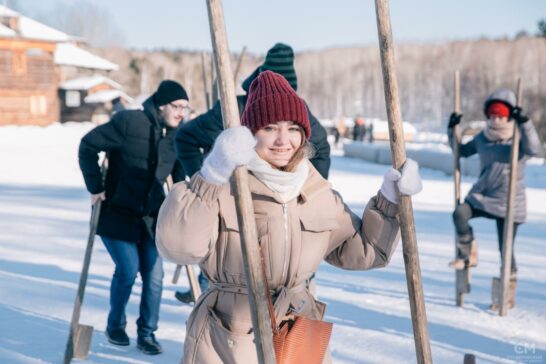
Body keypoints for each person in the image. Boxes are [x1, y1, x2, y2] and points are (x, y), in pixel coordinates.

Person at [156, 71, 423, 363]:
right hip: (227, 335)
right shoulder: (224, 185)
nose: (283, 140)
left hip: (296, 334)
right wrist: (211, 175)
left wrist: (390, 200)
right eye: (269, 127)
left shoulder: (316, 190)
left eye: (293, 128)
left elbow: (365, 252)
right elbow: (178, 247)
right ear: (250, 133)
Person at [173, 42, 331, 303]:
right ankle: (205, 293)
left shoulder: (300, 114)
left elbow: (321, 148)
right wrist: (209, 179)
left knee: (291, 292)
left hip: (283, 215)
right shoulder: (231, 110)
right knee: (223, 274)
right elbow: (186, 138)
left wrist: (307, 188)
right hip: (234, 207)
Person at [78, 80, 190, 355]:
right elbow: (88, 146)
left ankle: (147, 333)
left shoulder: (177, 137)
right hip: (116, 213)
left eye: (185, 108)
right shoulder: (129, 122)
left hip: (151, 218)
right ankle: (115, 324)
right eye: (177, 107)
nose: (181, 113)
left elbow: (177, 176)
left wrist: (180, 202)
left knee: (154, 276)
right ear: (161, 105)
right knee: (128, 269)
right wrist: (96, 187)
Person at [447, 89, 542, 284]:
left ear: (508, 116)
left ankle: (508, 283)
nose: (496, 120)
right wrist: (452, 129)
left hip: (510, 201)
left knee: (505, 248)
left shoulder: (518, 138)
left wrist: (525, 122)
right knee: (460, 214)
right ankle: (467, 253)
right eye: (492, 115)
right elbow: (461, 152)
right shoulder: (483, 138)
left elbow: (535, 149)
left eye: (500, 116)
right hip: (483, 196)